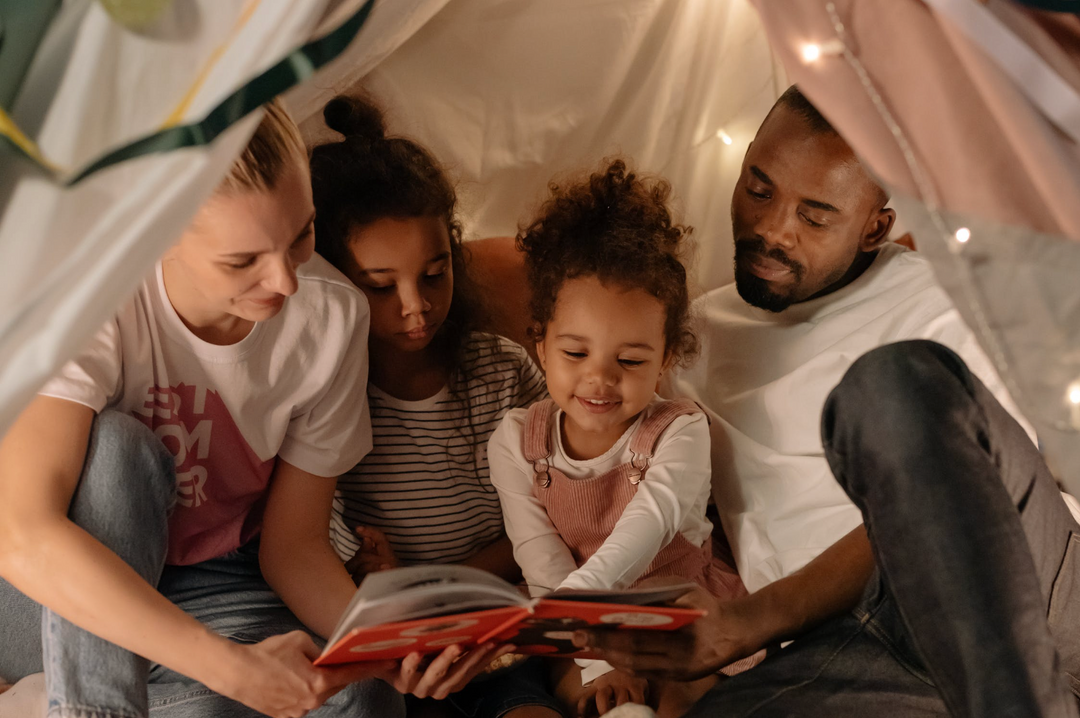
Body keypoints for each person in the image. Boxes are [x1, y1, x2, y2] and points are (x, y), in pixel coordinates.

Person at [573, 86, 1080, 717]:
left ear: (876, 228)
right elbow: (597, 479)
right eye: (758, 190)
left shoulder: (939, 299)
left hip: (1032, 597)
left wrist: (748, 621)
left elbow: (981, 495)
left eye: (814, 216)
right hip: (861, 646)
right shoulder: (688, 339)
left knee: (887, 387)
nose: (771, 230)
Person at [0, 100, 502, 718]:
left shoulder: (330, 316)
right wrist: (228, 668)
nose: (286, 283)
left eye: (301, 237)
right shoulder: (94, 298)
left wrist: (387, 649)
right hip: (51, 588)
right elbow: (21, 534)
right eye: (243, 261)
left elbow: (292, 546)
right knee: (117, 448)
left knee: (361, 697)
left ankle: (61, 699)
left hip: (219, 579)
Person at [308, 95, 559, 718]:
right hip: (402, 657)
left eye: (434, 273)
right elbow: (327, 559)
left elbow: (552, 517)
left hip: (498, 643)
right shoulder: (330, 401)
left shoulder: (501, 371)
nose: (415, 306)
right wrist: (385, 583)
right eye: (380, 286)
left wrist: (447, 584)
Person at [487, 159, 753, 718]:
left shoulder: (679, 431)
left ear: (666, 359)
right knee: (596, 702)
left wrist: (578, 606)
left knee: (683, 700)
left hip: (675, 616)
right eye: (575, 353)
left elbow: (647, 526)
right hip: (575, 632)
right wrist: (596, 661)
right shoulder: (516, 441)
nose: (600, 379)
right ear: (540, 345)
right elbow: (540, 560)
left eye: (630, 359)